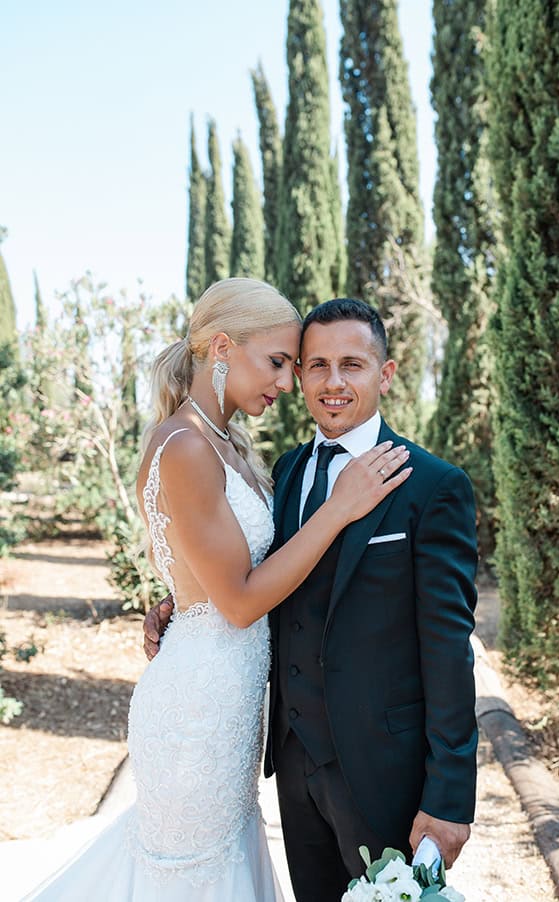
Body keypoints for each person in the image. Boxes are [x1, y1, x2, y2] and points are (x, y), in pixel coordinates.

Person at [26, 281, 411, 902]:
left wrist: (181, 599)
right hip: (196, 712)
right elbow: (235, 602)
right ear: (224, 346)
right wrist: (337, 509)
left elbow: (218, 570)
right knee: (187, 875)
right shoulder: (185, 445)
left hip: (231, 708)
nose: (287, 384)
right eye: (278, 362)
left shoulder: (227, 443)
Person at [145, 297, 478, 902]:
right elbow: (250, 577)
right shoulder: (289, 471)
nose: (332, 382)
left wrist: (450, 796)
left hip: (384, 773)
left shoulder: (433, 487)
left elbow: (450, 648)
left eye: (352, 364)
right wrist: (181, 606)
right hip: (291, 768)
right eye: (315, 365)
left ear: (387, 373)